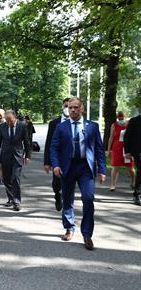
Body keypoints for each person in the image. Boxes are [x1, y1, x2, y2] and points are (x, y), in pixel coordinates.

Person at [50, 97, 106, 250]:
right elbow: (54, 148)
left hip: (85, 168)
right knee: (67, 199)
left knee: (88, 198)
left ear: (82, 109)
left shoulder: (92, 127)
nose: (72, 110)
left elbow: (99, 150)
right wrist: (55, 165)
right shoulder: (61, 127)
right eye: (70, 108)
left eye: (75, 107)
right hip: (67, 167)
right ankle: (69, 227)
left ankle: (87, 233)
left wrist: (102, 169)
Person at [0, 110, 31, 211]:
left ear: (15, 118)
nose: (9, 123)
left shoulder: (22, 126)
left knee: (15, 177)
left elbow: (26, 141)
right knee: (6, 179)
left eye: (11, 121)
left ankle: (16, 201)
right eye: (7, 121)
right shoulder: (2, 126)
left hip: (18, 156)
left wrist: (28, 156)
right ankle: (10, 198)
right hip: (5, 156)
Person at [44, 98, 70, 211]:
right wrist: (47, 162)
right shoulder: (54, 123)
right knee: (56, 182)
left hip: (71, 158)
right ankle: (57, 195)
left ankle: (66, 198)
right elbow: (48, 142)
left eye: (70, 106)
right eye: (66, 106)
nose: (68, 109)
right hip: (57, 158)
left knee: (69, 181)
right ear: (62, 106)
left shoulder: (78, 122)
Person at [107, 111, 135, 191]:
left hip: (127, 148)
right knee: (115, 166)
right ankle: (113, 185)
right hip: (117, 148)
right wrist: (109, 150)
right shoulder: (114, 125)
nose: (121, 119)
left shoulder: (130, 124)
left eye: (122, 117)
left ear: (125, 116)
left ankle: (133, 182)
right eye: (119, 117)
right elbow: (111, 138)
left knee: (130, 167)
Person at [124, 108, 141, 205]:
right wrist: (127, 151)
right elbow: (127, 136)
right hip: (138, 151)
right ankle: (137, 194)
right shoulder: (134, 121)